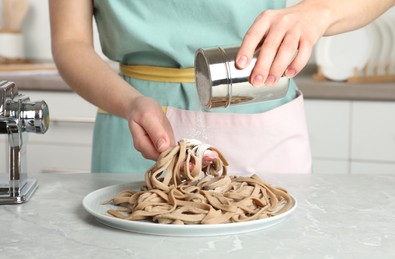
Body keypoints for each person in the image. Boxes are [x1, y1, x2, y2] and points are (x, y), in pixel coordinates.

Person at [49, 0, 395, 175]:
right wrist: (130, 104)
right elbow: (69, 42)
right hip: (136, 124)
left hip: (258, 109)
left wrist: (317, 12)